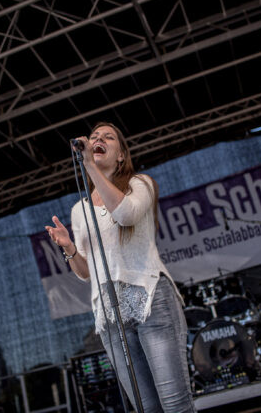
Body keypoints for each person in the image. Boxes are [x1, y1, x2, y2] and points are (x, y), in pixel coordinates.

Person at [45, 122, 196, 413]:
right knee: (146, 408)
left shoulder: (140, 185)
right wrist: (68, 247)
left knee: (175, 405)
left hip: (150, 300)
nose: (98, 140)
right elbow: (86, 271)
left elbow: (125, 215)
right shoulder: (80, 210)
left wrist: (90, 166)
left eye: (107, 138)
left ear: (121, 156)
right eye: (94, 137)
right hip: (110, 316)